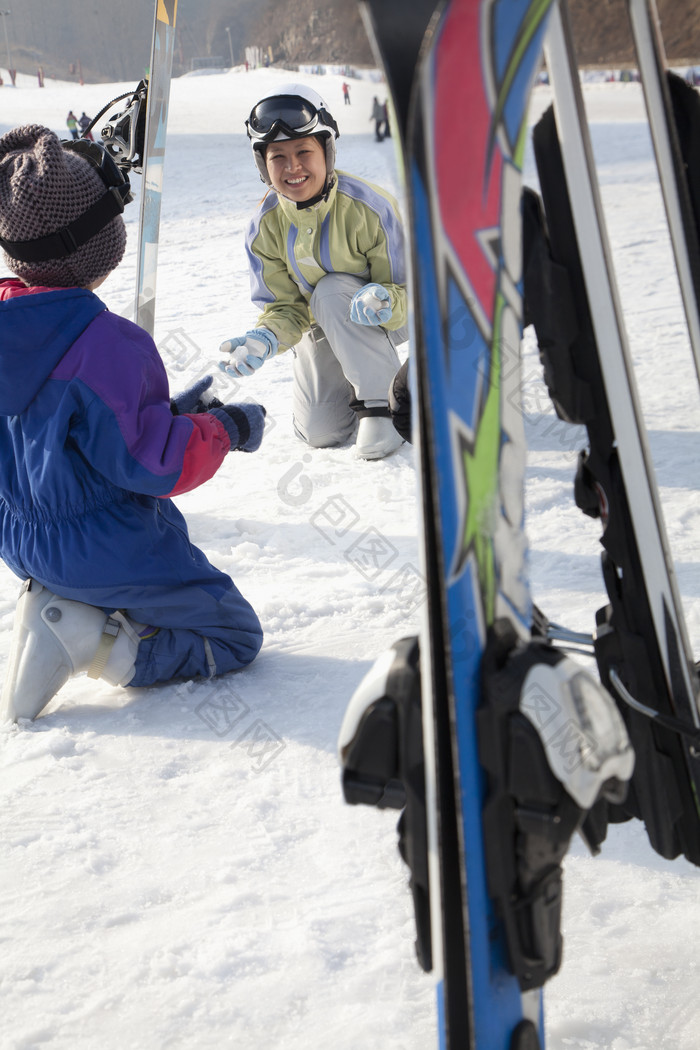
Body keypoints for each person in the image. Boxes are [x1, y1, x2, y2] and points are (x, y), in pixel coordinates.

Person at [0, 125, 265, 722]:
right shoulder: (109, 344)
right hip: (100, 545)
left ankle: (61, 596)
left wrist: (170, 415)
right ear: (97, 245)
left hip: (19, 534)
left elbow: (68, 435)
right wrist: (224, 430)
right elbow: (153, 466)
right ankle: (91, 640)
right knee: (234, 636)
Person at [220, 84, 408, 460]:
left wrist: (384, 298)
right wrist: (265, 338)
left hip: (388, 317)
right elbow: (286, 309)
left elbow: (407, 288)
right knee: (320, 431)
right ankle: (358, 382)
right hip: (321, 324)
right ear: (263, 164)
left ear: (327, 151)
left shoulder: (371, 209)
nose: (293, 167)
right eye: (278, 157)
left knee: (330, 289)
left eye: (304, 151)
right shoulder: (264, 228)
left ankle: (383, 407)